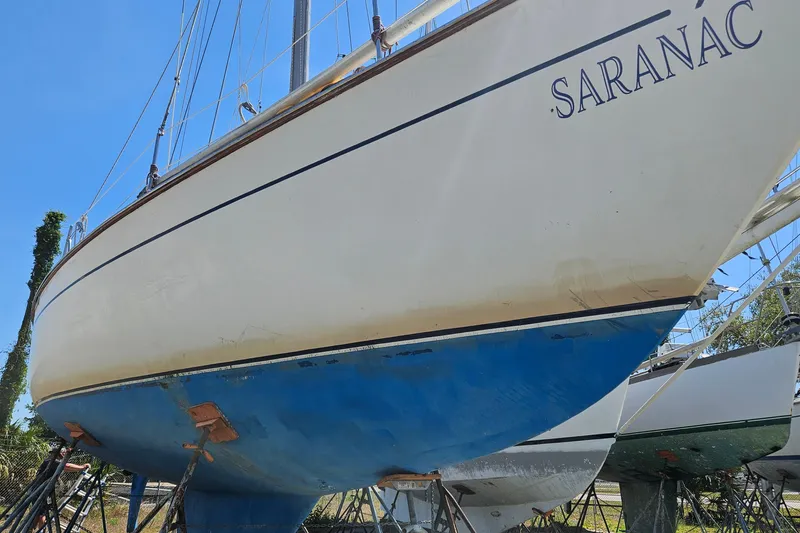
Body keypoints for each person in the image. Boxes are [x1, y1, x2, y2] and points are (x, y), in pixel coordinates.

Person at [32, 447, 91, 531]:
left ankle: (30, 529)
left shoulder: (48, 461)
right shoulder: (53, 462)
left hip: (38, 489)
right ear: (60, 454)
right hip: (41, 490)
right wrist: (83, 467)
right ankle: (39, 530)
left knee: (37, 512)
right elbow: (66, 466)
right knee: (42, 514)